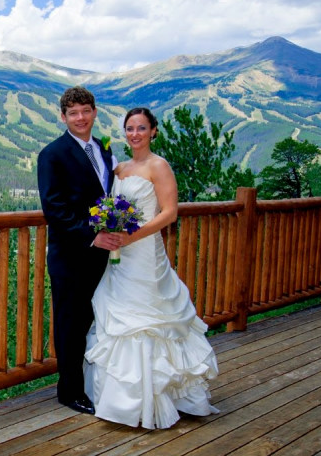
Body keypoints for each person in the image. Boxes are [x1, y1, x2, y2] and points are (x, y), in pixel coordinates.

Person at [83, 107, 219, 429]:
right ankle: (121, 401)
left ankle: (164, 395)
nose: (135, 134)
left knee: (150, 318)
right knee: (119, 317)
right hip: (120, 257)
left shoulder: (160, 166)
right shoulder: (120, 169)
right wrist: (111, 229)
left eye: (141, 128)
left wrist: (131, 236)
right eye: (129, 128)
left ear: (153, 131)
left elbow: (169, 213)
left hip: (145, 253)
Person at [37, 86, 121, 414]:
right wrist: (91, 235)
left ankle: (91, 380)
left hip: (103, 253)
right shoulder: (52, 154)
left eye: (86, 111)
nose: (81, 117)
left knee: (94, 318)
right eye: (73, 113)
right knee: (70, 323)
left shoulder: (104, 148)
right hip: (71, 255)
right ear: (63, 117)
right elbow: (54, 209)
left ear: (95, 112)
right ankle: (69, 391)